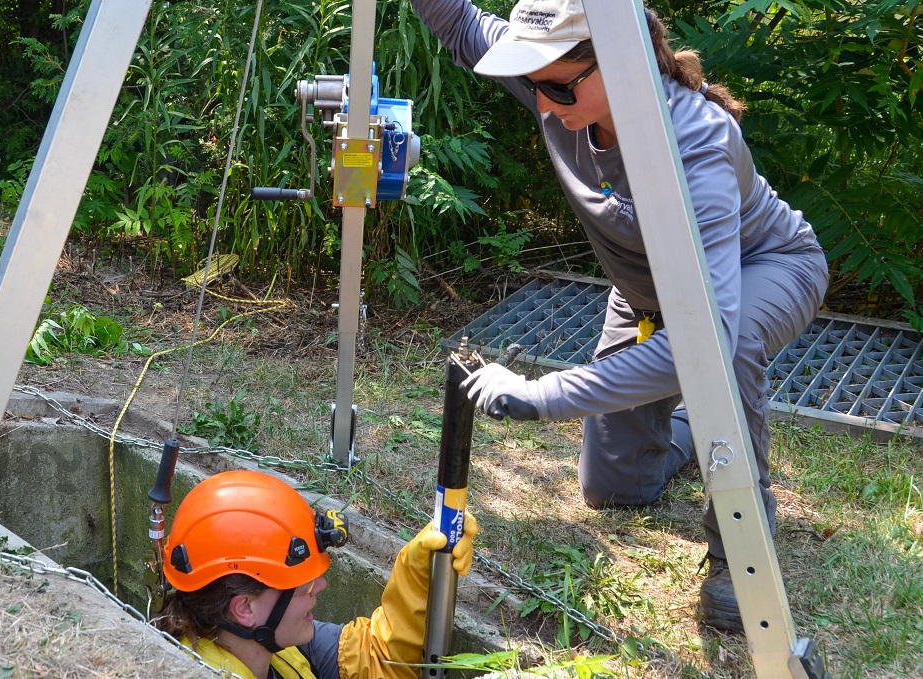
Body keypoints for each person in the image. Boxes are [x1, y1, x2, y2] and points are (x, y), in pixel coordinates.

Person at [409, 0, 829, 631]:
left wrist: (543, 394)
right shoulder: (562, 85)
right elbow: (460, 23)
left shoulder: (696, 140)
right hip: (648, 294)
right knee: (614, 489)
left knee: (729, 350)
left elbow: (706, 338)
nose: (542, 105)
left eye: (553, 86)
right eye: (532, 85)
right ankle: (692, 423)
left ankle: (741, 546)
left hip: (765, 269)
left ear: (621, 63)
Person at [156, 469, 479, 678]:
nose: (320, 585)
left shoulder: (276, 645)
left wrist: (420, 578)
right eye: (301, 583)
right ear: (245, 608)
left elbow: (379, 660)